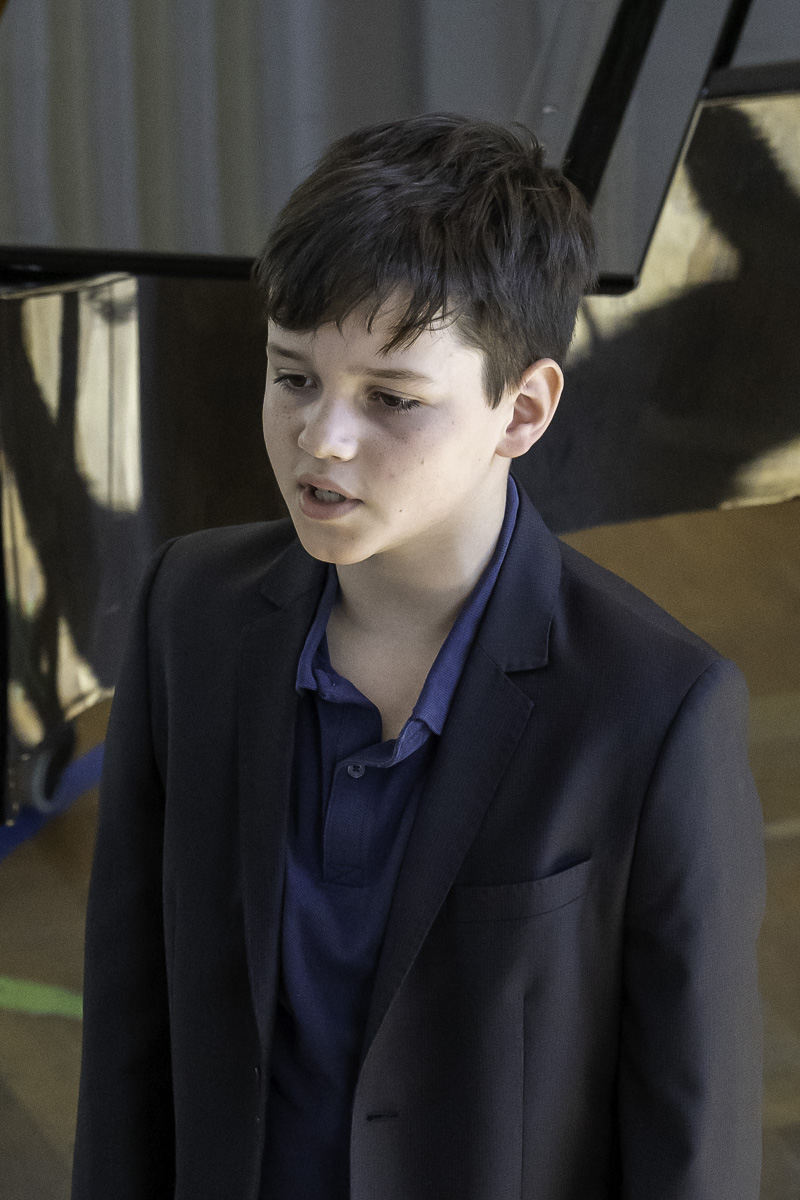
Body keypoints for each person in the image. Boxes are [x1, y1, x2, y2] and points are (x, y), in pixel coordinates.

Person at [71, 114, 766, 1200]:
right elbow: (131, 1028)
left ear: (521, 411)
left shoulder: (655, 709)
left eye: (391, 398)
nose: (322, 440)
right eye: (292, 376)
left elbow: (691, 1142)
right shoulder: (188, 613)